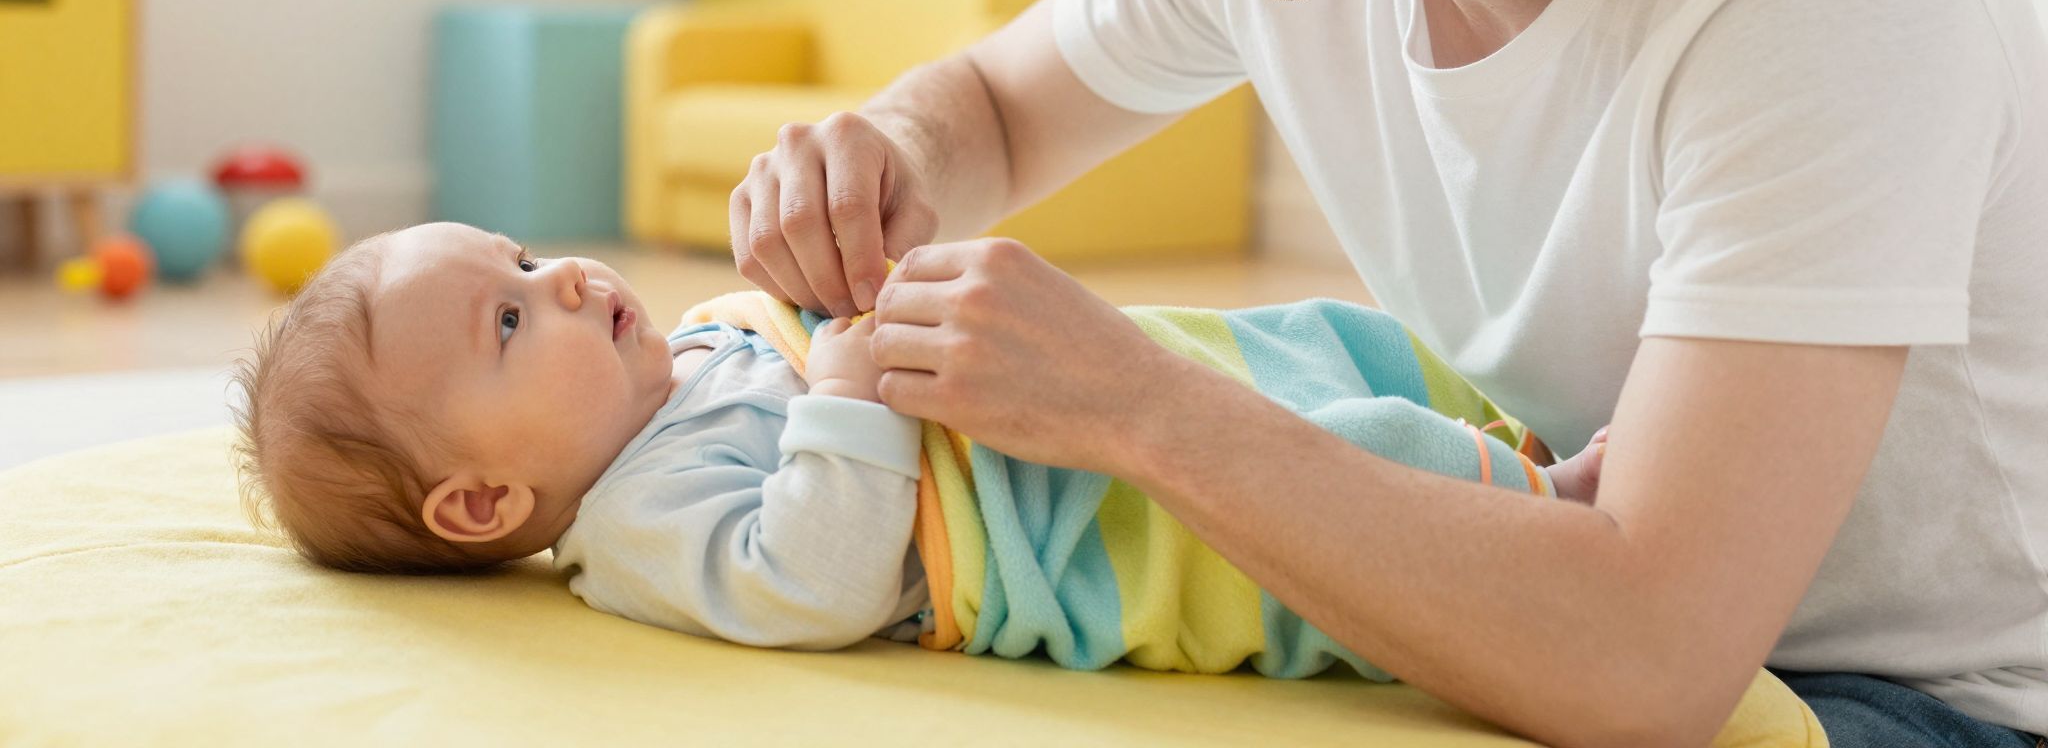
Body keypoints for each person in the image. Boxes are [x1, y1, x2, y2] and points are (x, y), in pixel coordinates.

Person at [725, 0, 2048, 746]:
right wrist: (887, 152)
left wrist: (1134, 406)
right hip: (1585, 594)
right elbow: (998, 112)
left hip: (1916, 696)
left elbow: (1648, 669)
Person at [228, 221, 1608, 670]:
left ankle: (1513, 426)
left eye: (526, 258)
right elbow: (810, 581)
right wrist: (844, 392)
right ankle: (1547, 512)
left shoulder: (690, 350)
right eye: (511, 321)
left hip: (1068, 405)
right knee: (1343, 458)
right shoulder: (635, 526)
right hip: (1067, 528)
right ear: (483, 503)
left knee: (1290, 349)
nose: (569, 281)